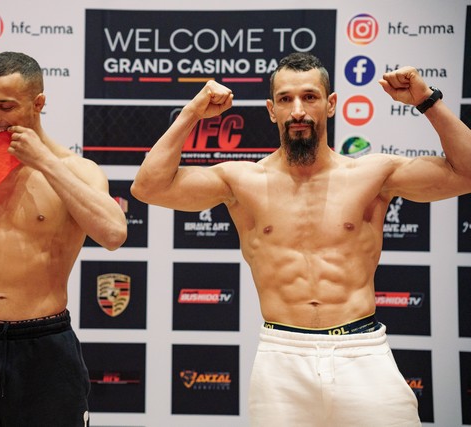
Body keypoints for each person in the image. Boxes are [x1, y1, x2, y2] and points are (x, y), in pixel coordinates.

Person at [131, 52, 471, 426]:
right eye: (285, 99)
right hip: (281, 357)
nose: (298, 111)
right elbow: (148, 187)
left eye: (309, 97)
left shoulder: (373, 174)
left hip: (362, 351)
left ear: (331, 104)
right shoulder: (242, 181)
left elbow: (466, 172)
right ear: (271, 110)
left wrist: (427, 101)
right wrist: (192, 112)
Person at [0, 51, 127, 426]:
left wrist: (44, 162)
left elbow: (113, 234)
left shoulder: (77, 170)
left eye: (5, 106)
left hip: (43, 344)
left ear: (38, 103)